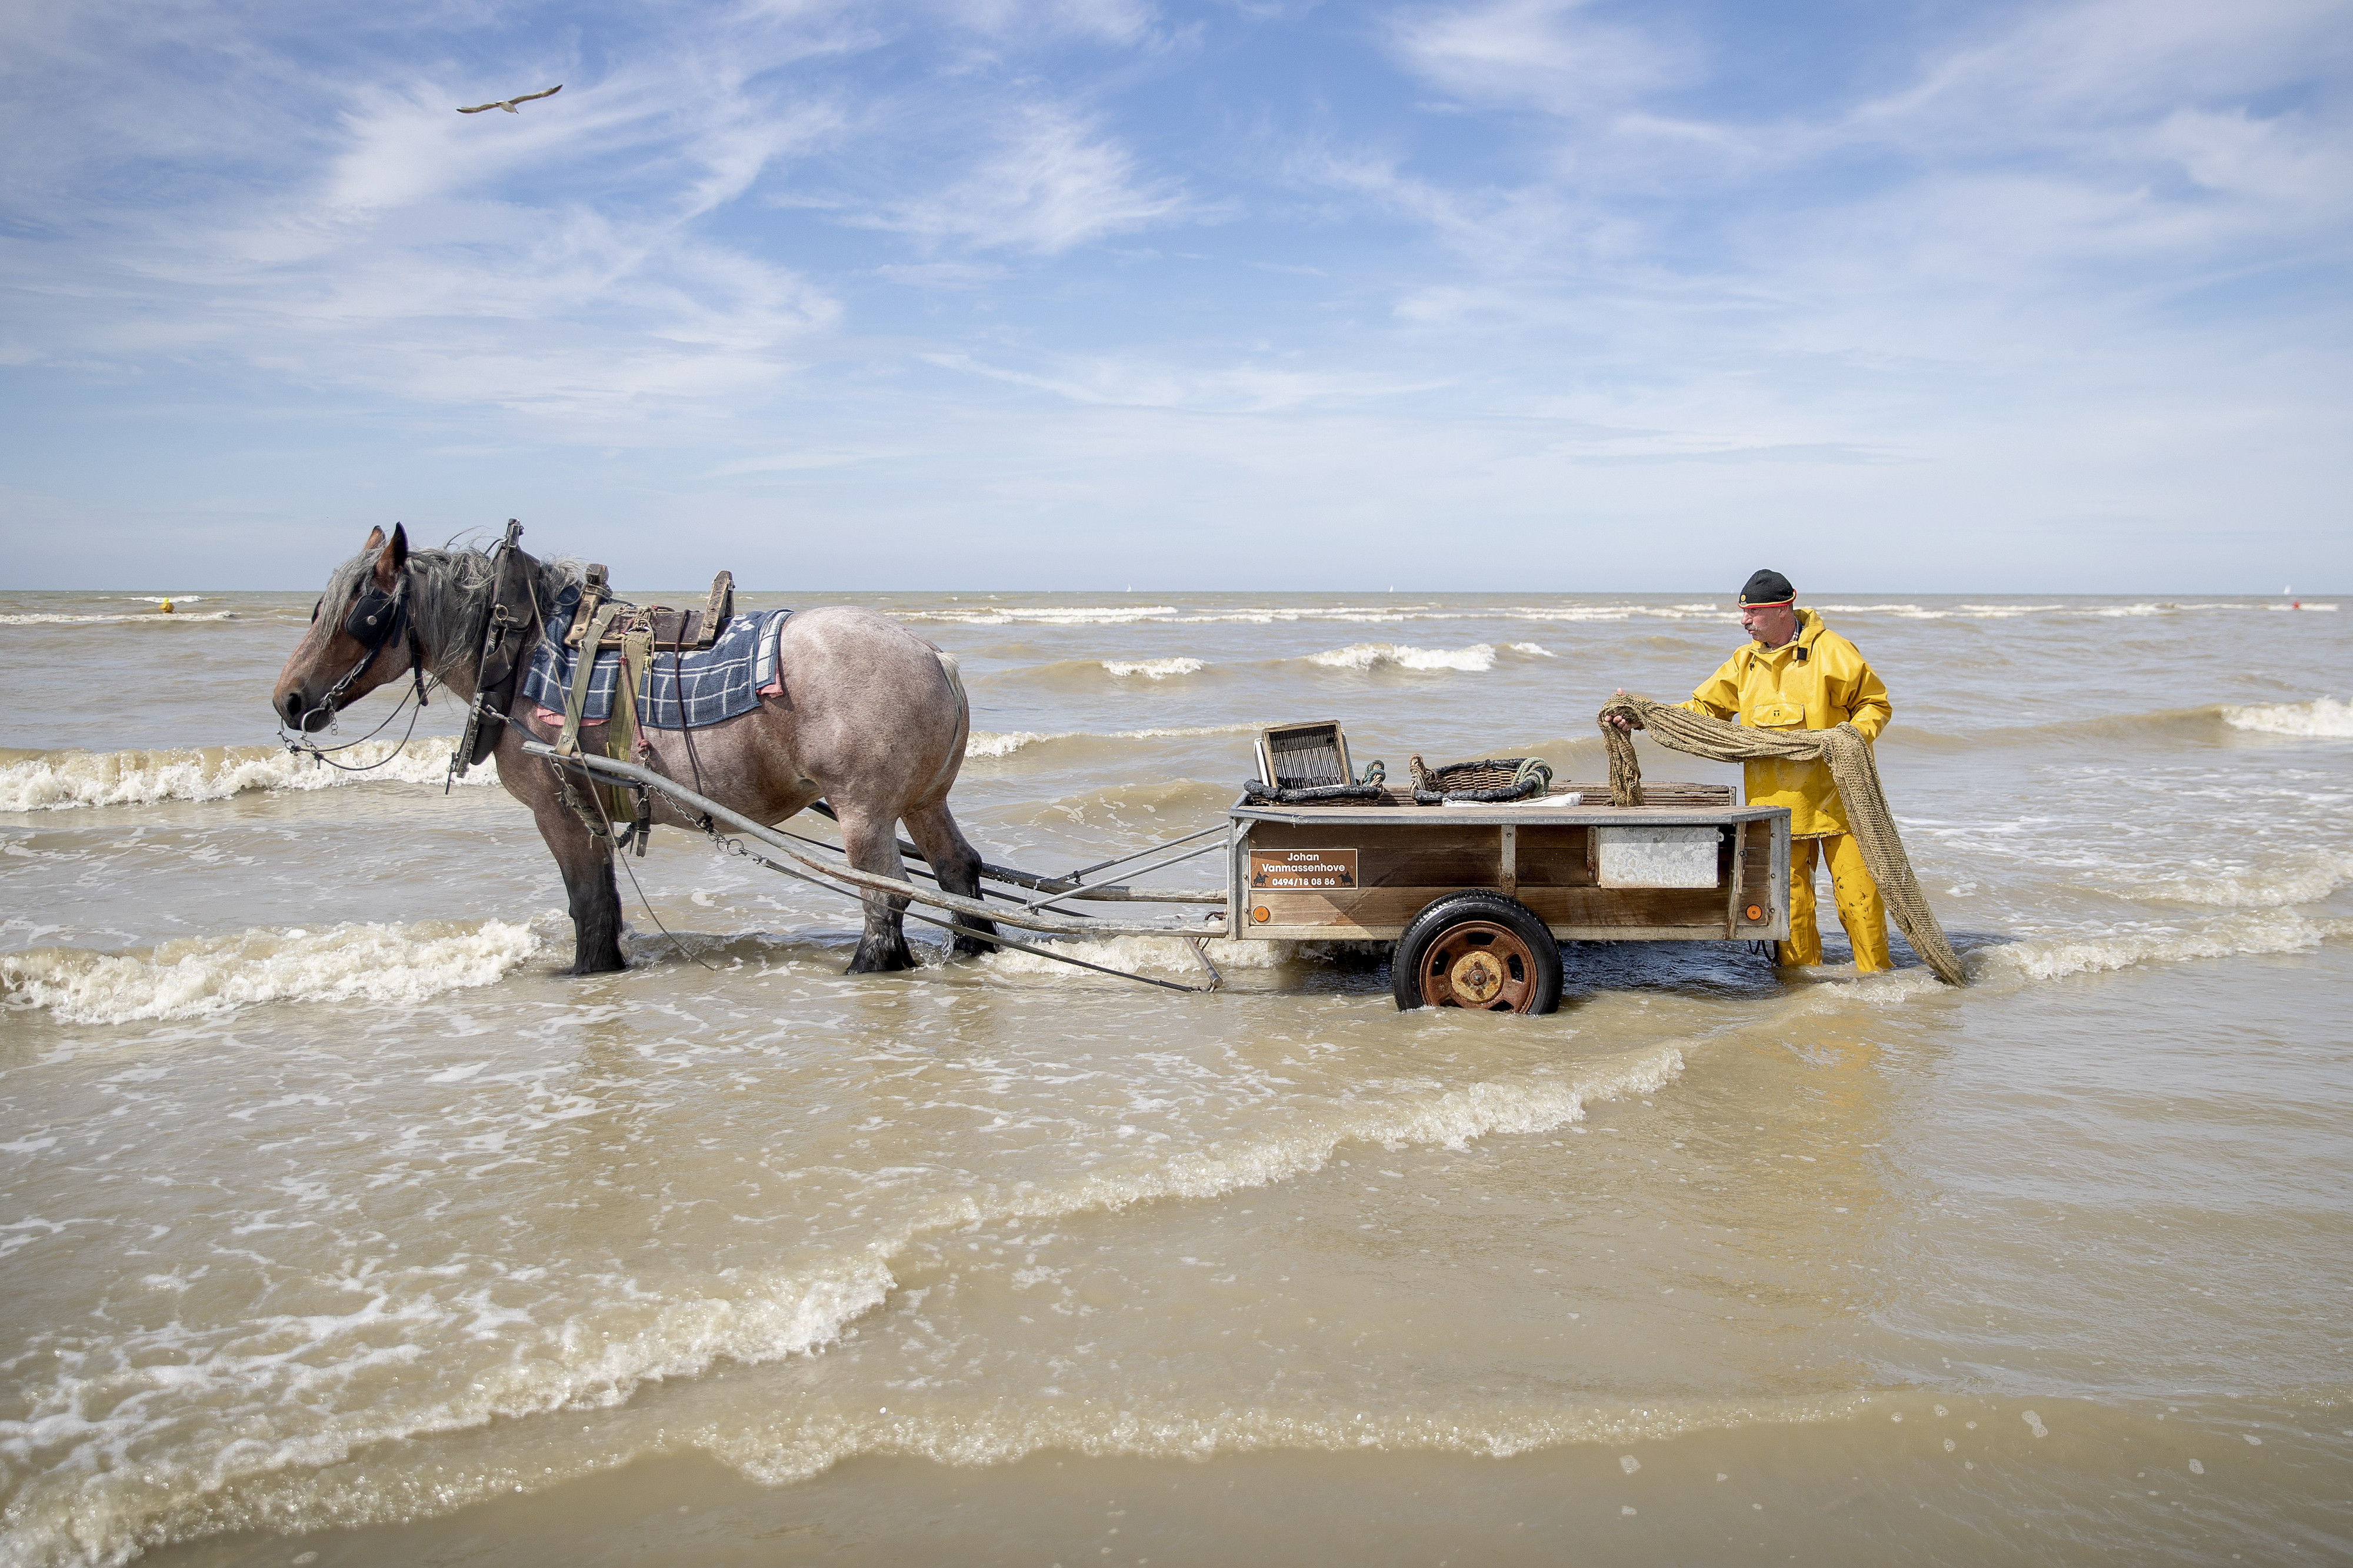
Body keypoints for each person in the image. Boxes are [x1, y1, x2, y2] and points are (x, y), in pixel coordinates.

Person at [1617, 569, 1893, 970]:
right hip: (1776, 810)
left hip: (1840, 803)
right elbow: (1701, 712)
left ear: (1784, 609)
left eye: (1754, 613)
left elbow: (1875, 704)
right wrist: (1644, 716)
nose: (1744, 621)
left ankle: (1880, 988)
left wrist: (1853, 734)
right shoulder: (1742, 664)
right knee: (1791, 909)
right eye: (1743, 612)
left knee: (1861, 901)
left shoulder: (1833, 652)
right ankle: (1801, 992)